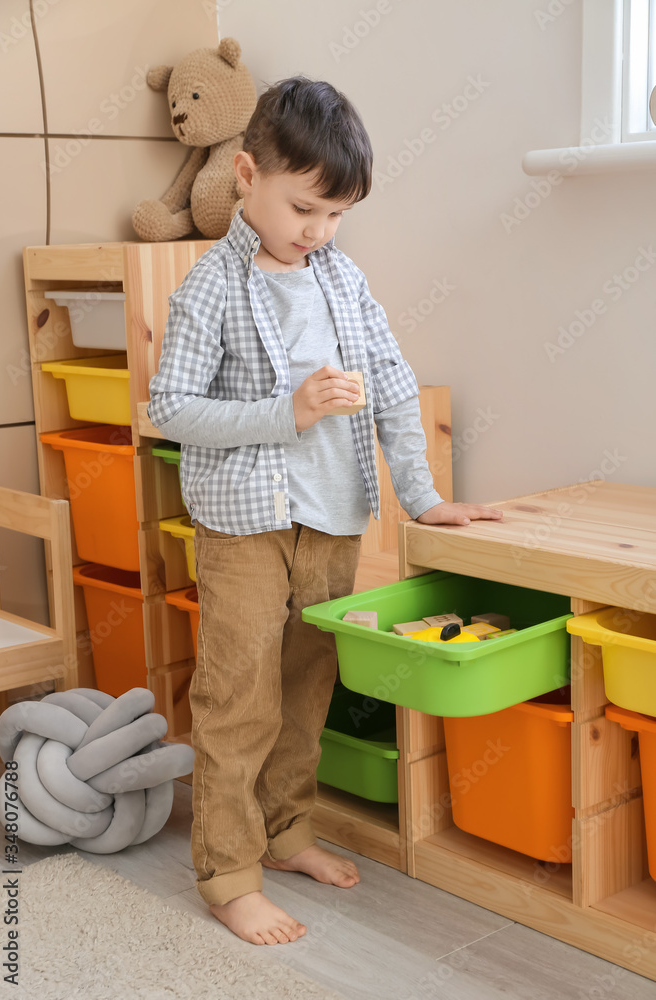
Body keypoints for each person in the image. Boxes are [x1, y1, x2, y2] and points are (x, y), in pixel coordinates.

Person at [148, 76, 503, 946]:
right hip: (243, 526)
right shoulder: (211, 289)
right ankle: (226, 872)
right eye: (306, 207)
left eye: (336, 215)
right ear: (245, 175)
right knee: (239, 698)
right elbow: (171, 409)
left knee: (308, 686)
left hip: (333, 518)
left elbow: (388, 387)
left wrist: (424, 499)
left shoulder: (343, 282)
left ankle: (285, 832)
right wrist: (290, 410)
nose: (318, 230)